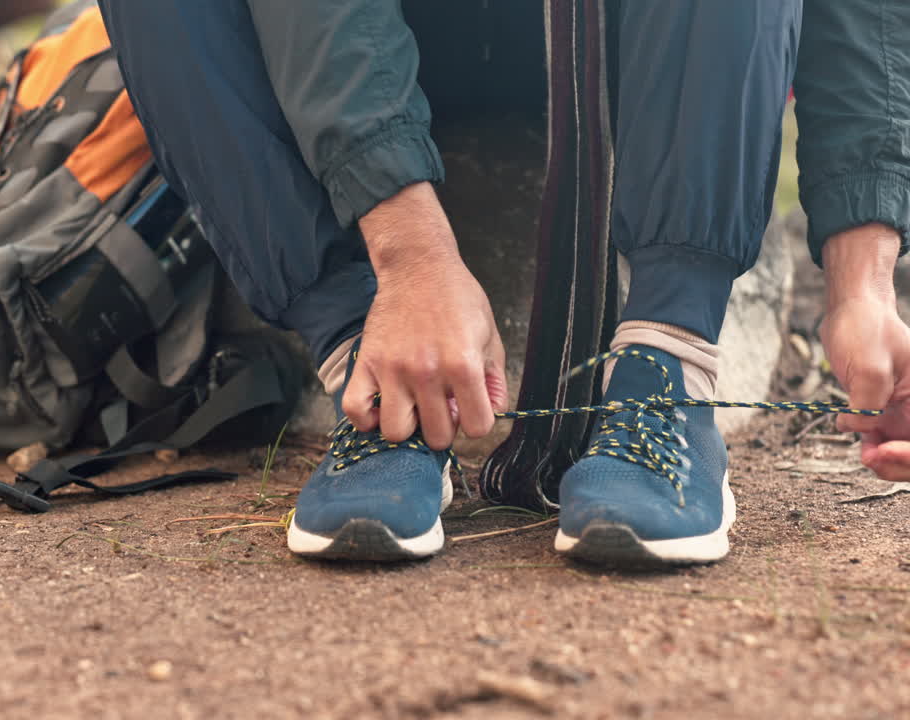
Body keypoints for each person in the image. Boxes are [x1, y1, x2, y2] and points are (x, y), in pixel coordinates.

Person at [96, 1, 910, 564]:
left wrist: (864, 277)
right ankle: (371, 371)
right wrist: (408, 253)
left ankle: (668, 356)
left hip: (629, 42)